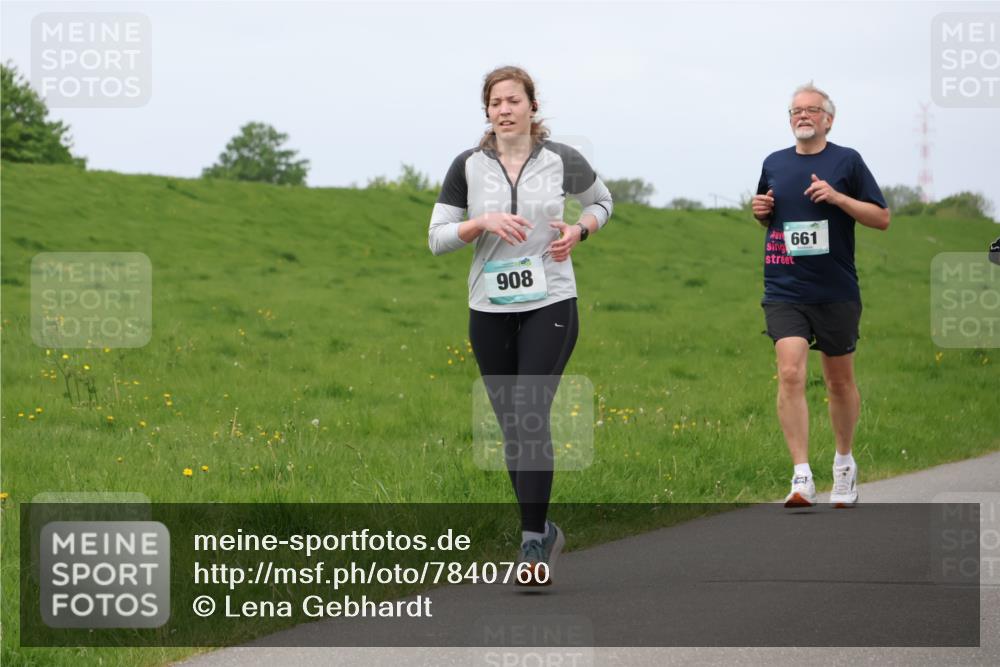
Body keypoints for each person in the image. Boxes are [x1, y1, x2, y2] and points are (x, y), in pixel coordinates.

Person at [428, 66, 612, 584]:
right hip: (489, 308)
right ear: (486, 112)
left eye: (513, 100)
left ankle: (532, 544)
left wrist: (579, 229)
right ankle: (545, 530)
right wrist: (480, 222)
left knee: (530, 412)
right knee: (512, 426)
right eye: (495, 103)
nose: (504, 110)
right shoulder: (467, 166)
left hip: (550, 299)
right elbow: (437, 238)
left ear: (533, 106)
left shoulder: (561, 161)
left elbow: (603, 202)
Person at [750, 83, 889, 508]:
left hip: (835, 290)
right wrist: (760, 212)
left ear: (829, 119)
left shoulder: (847, 161)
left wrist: (837, 197)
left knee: (839, 380)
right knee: (790, 372)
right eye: (796, 110)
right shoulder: (774, 162)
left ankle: (844, 465)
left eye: (812, 110)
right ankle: (801, 475)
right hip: (784, 286)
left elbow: (881, 218)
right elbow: (769, 213)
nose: (803, 116)